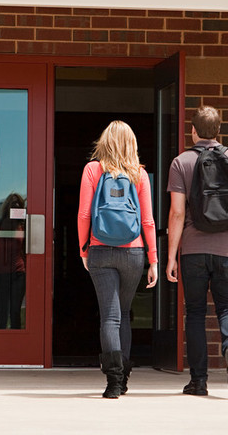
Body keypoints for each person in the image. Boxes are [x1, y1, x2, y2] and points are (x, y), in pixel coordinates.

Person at [165, 105, 228, 397]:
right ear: (219, 130)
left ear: (193, 131)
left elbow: (177, 213)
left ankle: (198, 381)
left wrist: (171, 256)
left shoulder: (181, 162)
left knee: (194, 313)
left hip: (193, 251)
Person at [77, 121, 158, 399]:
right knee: (124, 314)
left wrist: (83, 249)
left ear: (104, 142)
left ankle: (112, 382)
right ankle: (123, 378)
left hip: (100, 249)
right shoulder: (140, 175)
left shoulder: (92, 170)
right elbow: (147, 220)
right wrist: (153, 259)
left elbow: (84, 215)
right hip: (133, 252)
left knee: (109, 316)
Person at [0, 193, 27, 330]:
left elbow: (28, 252)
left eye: (18, 206)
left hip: (19, 274)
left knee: (15, 313)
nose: (14, 209)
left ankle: (18, 348)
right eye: (12, 206)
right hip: (0, 275)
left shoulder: (23, 226)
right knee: (1, 315)